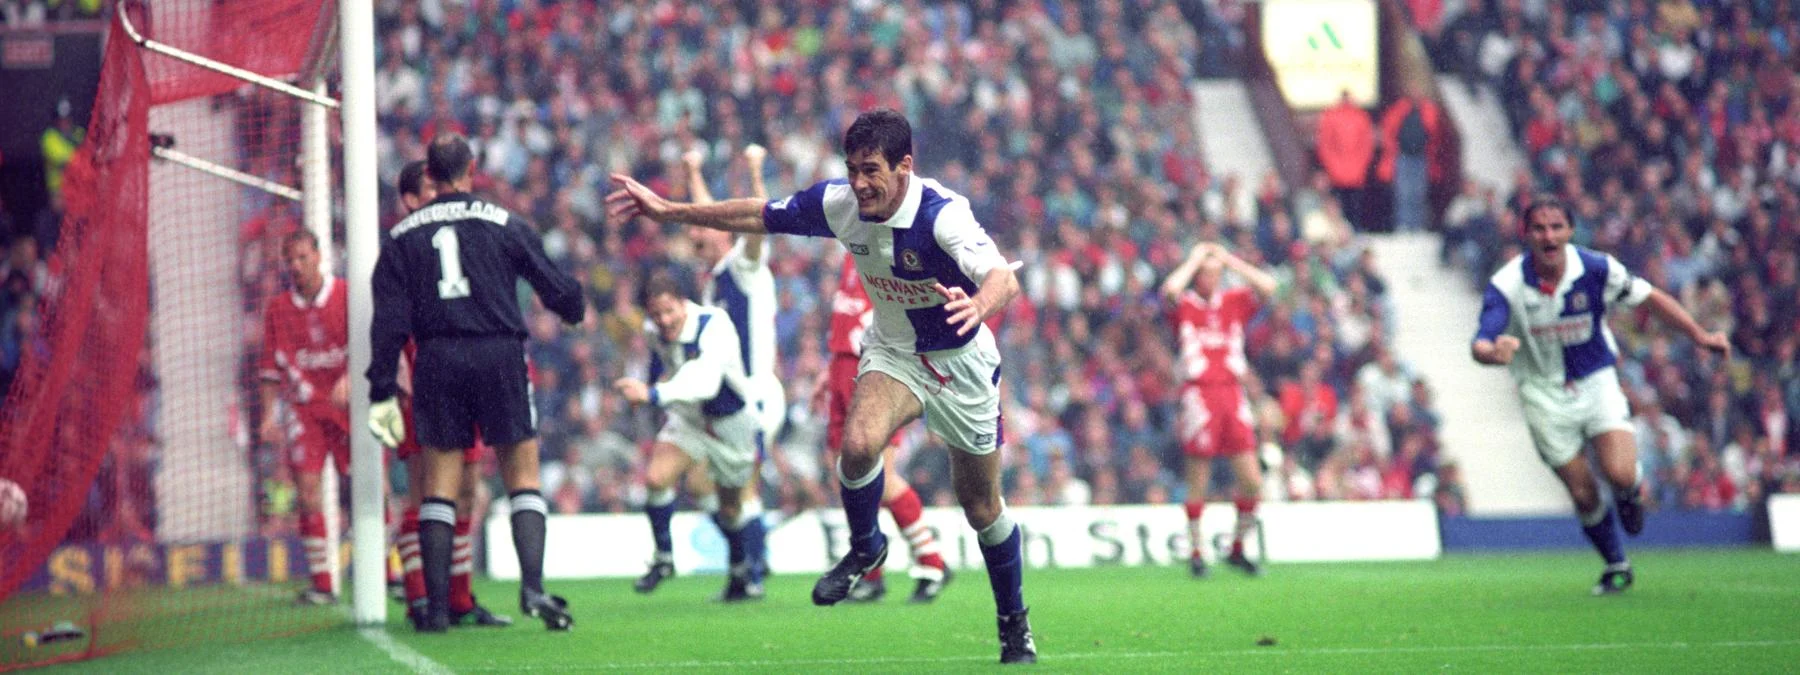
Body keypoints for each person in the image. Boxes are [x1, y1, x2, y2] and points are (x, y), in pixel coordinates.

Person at [608, 109, 1036, 664]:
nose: (859, 183)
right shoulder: (841, 204)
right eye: (852, 169)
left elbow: (1003, 278)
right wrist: (670, 211)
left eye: (871, 170)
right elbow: (757, 213)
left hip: (961, 363)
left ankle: (1013, 622)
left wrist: (977, 307)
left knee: (981, 506)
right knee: (856, 446)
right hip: (895, 352)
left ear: (904, 167)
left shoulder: (942, 214)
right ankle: (866, 547)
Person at [367, 133, 584, 632]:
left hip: (438, 357)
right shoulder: (503, 221)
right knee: (521, 474)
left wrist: (381, 388)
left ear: (430, 175)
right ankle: (533, 588)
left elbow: (389, 323)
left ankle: (437, 609)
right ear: (471, 168)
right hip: (498, 353)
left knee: (439, 486)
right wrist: (573, 306)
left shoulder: (401, 237)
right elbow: (553, 285)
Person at [1472, 195, 1730, 595]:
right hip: (1542, 393)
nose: (1548, 236)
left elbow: (1650, 298)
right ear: (1526, 234)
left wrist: (1699, 334)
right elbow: (1480, 342)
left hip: (1596, 381)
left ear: (1570, 230)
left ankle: (1630, 492)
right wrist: (1493, 353)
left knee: (1619, 473)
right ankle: (1616, 563)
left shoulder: (1596, 268)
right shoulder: (1507, 284)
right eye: (1539, 228)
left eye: (1556, 227)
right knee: (1583, 492)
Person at [633, 145, 780, 598]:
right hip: (716, 398)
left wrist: (755, 171)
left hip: (751, 394)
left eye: (704, 230)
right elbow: (708, 216)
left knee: (740, 488)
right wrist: (693, 171)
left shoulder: (744, 267)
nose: (696, 236)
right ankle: (746, 565)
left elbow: (757, 220)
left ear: (723, 234)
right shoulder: (712, 282)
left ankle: (755, 570)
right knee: (704, 486)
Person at [387, 160, 510, 628]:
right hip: (420, 380)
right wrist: (395, 371)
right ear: (410, 200)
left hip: (464, 374)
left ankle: (459, 599)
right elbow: (387, 319)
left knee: (466, 487)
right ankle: (421, 596)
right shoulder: (403, 245)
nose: (438, 194)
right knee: (425, 488)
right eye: (427, 188)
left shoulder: (455, 235)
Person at [615, 275, 767, 602]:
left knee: (730, 508)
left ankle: (741, 569)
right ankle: (664, 558)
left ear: (683, 303)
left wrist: (653, 394)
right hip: (689, 417)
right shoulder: (653, 331)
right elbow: (660, 362)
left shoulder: (714, 324)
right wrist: (650, 389)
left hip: (730, 424)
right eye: (656, 314)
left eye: (669, 311)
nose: (664, 320)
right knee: (656, 478)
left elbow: (707, 383)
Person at [819, 250, 954, 603]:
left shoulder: (887, 249)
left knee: (883, 477)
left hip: (874, 369)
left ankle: (932, 561)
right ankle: (871, 573)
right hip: (841, 365)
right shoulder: (852, 249)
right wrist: (830, 370)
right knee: (848, 477)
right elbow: (847, 316)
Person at [1159, 242, 1280, 578]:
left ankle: (1237, 548)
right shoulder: (1185, 304)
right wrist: (1195, 257)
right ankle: (1197, 553)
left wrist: (1230, 260)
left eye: (1215, 274)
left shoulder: (1233, 302)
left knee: (1252, 481)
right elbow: (1169, 290)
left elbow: (1269, 287)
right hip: (1200, 395)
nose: (1210, 279)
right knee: (1199, 477)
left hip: (1232, 393)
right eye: (1205, 273)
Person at [259, 228, 348, 605]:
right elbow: (269, 368)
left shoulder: (346, 295)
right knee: (307, 491)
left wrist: (351, 377)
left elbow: (370, 344)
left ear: (319, 256)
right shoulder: (277, 309)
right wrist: (267, 415)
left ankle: (387, 572)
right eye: (290, 260)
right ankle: (322, 583)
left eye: (302, 257)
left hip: (347, 408)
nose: (296, 266)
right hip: (304, 411)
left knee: (369, 488)